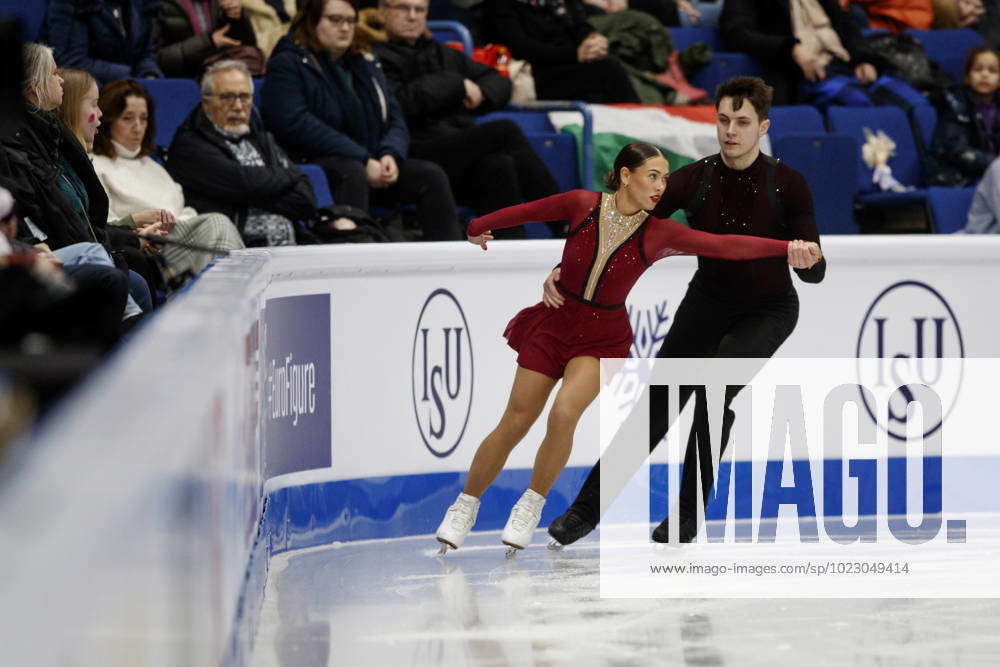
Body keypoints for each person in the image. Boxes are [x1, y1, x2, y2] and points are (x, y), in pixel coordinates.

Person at [434, 140, 821, 553]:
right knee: (516, 419)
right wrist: (477, 226)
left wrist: (788, 249)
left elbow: (726, 245)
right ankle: (465, 505)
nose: (660, 187)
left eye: (665, 179)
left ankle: (530, 505)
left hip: (602, 337)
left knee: (565, 413)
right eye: (652, 176)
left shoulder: (660, 233)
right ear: (625, 176)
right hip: (555, 322)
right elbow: (528, 211)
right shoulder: (582, 204)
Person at [545, 76, 827, 547]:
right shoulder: (694, 179)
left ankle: (688, 513)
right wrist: (566, 265)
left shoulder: (789, 184)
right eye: (723, 120)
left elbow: (814, 272)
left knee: (714, 392)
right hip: (708, 303)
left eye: (742, 122)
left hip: (768, 310)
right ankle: (585, 511)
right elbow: (618, 223)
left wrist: (808, 259)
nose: (730, 131)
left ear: (763, 127)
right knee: (657, 405)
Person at [262, 0, 463, 241]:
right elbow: (295, 123)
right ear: (313, 22)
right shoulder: (288, 63)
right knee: (351, 171)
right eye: (335, 20)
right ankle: (357, 254)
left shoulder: (365, 62)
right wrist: (362, 158)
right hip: (317, 165)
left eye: (350, 21)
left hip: (372, 162)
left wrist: (390, 153)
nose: (345, 28)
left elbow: (394, 116)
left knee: (429, 174)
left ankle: (448, 258)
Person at [374, 0, 563, 239]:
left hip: (457, 148)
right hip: (411, 150)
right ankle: (564, 221)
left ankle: (509, 250)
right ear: (382, 12)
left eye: (419, 10)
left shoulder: (441, 52)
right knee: (504, 131)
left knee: (497, 165)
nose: (412, 16)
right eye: (403, 8)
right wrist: (457, 84)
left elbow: (499, 81)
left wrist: (482, 93)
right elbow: (403, 101)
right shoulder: (374, 55)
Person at [0, 45, 152, 318]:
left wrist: (129, 234)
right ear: (35, 88)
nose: (60, 80)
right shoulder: (19, 145)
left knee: (134, 275)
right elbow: (36, 214)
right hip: (41, 253)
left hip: (60, 247)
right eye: (54, 74)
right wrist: (31, 245)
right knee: (113, 269)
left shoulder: (50, 138)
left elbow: (82, 217)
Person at [88, 79, 246, 281]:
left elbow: (181, 211)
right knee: (217, 224)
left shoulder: (153, 166)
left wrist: (174, 223)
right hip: (145, 248)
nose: (138, 128)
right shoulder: (96, 165)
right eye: (128, 118)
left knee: (217, 228)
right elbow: (105, 226)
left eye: (143, 119)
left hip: (177, 240)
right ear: (108, 120)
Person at [168, 60, 318, 247]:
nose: (238, 106)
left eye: (244, 97)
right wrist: (291, 175)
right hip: (232, 250)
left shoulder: (262, 139)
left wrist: (252, 193)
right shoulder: (189, 145)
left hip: (290, 247)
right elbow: (243, 183)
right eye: (228, 97)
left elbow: (306, 201)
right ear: (206, 104)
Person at [720, 0, 888, 106]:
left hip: (847, 65)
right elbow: (736, 33)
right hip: (803, 75)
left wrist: (865, 59)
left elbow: (847, 26)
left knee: (909, 102)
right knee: (864, 105)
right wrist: (790, 48)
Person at [483, 0, 640, 103]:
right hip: (533, 73)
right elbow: (522, 48)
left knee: (603, 81)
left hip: (569, 66)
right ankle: (641, 132)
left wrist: (593, 38)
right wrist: (576, 54)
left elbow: (579, 25)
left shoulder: (557, 3)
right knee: (608, 70)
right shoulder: (500, 5)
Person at [43, 0, 163, 83]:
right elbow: (72, 61)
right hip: (93, 90)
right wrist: (129, 77)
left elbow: (145, 50)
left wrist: (149, 74)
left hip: (131, 85)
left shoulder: (139, 4)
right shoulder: (71, 4)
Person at [931, 46, 1000, 188]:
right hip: (962, 177)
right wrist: (994, 163)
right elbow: (954, 148)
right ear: (967, 77)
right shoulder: (956, 103)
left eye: (992, 71)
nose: (985, 75)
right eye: (978, 69)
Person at [156, 0, 262, 78]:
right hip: (185, 77)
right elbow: (159, 59)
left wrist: (237, 18)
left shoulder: (217, 3)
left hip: (225, 71)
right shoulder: (160, 5)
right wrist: (208, 42)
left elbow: (247, 44)